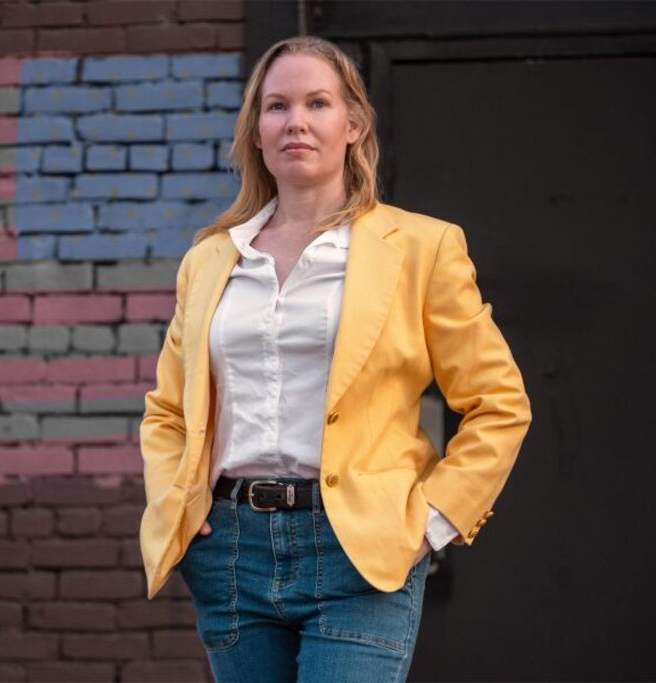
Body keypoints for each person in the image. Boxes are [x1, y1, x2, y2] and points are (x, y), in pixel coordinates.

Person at [138, 35, 532, 682]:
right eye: (276, 106)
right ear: (257, 131)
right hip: (229, 549)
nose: (295, 121)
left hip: (361, 549)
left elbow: (499, 403)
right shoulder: (210, 259)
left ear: (353, 125)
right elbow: (167, 411)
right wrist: (179, 507)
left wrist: (427, 527)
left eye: (317, 103)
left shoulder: (422, 249)